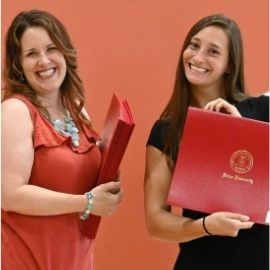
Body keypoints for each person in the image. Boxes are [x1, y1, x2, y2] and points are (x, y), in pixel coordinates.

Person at [144, 14, 269, 270]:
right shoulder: (168, 130)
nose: (198, 57)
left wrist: (240, 129)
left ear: (230, 65)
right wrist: (206, 226)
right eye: (194, 45)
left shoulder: (262, 110)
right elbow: (155, 221)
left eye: (213, 51)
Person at [1, 9, 123, 270]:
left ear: (64, 52)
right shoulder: (15, 111)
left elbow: (77, 177)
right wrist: (87, 202)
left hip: (77, 259)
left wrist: (108, 177)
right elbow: (9, 195)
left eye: (51, 49)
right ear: (18, 65)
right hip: (29, 260)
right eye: (31, 54)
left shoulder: (76, 107)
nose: (44, 61)